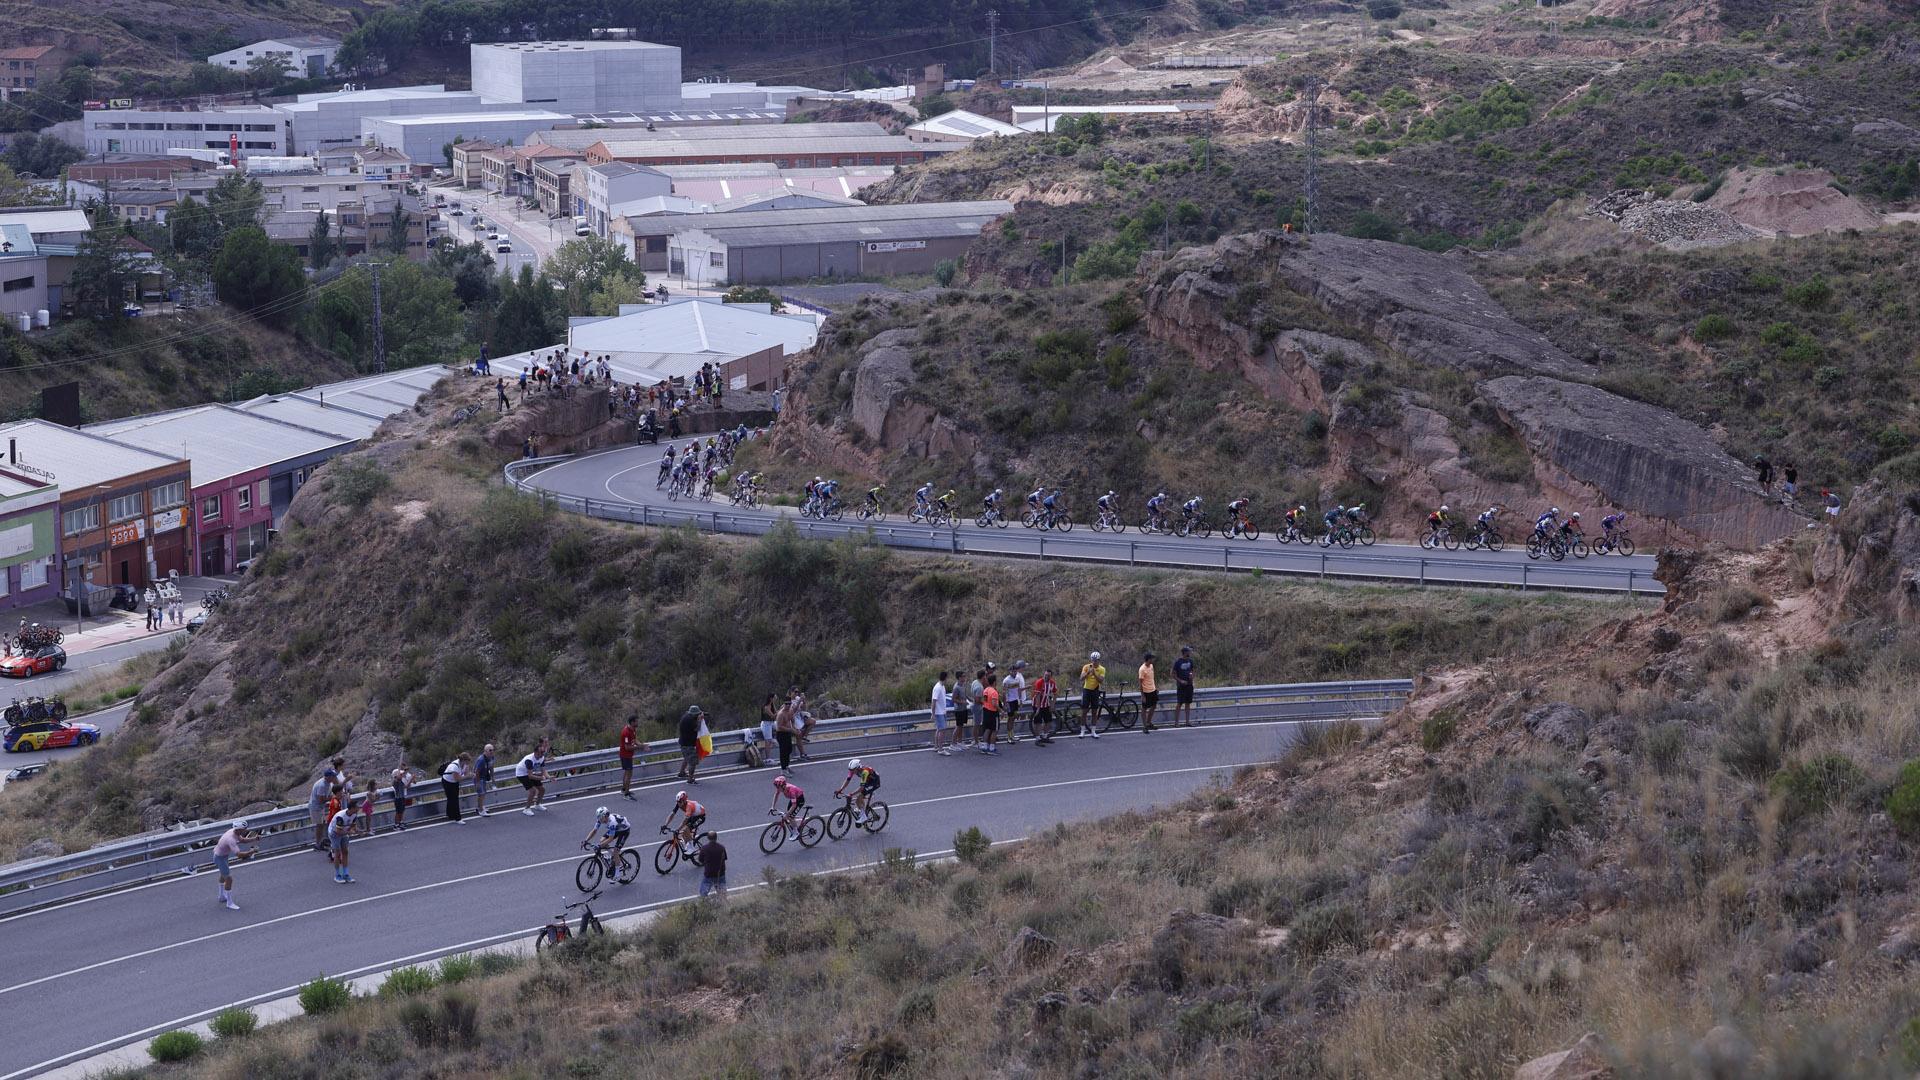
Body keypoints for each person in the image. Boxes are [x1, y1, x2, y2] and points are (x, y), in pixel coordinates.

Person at [212, 820, 257, 911]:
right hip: (220, 858)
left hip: (221, 856)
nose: (246, 830)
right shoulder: (231, 839)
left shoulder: (234, 832)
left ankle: (221, 896)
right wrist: (251, 851)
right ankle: (229, 903)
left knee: (223, 874)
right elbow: (239, 855)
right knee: (229, 879)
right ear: (239, 829)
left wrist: (254, 839)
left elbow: (243, 840)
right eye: (244, 829)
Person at [837, 759, 881, 824]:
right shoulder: (853, 770)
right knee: (860, 798)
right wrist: (840, 789)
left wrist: (851, 794)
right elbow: (848, 780)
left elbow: (861, 788)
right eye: (850, 770)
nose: (851, 772)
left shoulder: (864, 772)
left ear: (857, 768)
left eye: (852, 770)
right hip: (868, 781)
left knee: (858, 799)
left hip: (874, 782)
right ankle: (862, 811)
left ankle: (863, 817)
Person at [328, 797, 357, 884]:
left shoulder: (354, 814)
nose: (359, 808)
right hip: (334, 833)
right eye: (357, 807)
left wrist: (355, 830)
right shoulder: (341, 817)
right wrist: (349, 832)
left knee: (345, 852)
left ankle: (346, 874)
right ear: (352, 808)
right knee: (337, 853)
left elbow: (353, 826)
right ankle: (337, 875)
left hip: (344, 832)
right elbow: (338, 831)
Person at [516, 742, 550, 816]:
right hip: (521, 774)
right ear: (535, 752)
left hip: (530, 773)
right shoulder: (529, 760)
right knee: (533, 791)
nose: (541, 755)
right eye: (540, 753)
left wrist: (550, 777)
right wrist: (540, 777)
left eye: (543, 753)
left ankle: (537, 805)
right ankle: (526, 809)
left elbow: (543, 770)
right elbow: (530, 776)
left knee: (542, 789)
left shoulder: (542, 757)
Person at [1079, 652, 1106, 739]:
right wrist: (1087, 673)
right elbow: (1081, 678)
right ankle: (1082, 731)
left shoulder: (1102, 669)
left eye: (1095, 660)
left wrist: (1094, 673)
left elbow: (1101, 680)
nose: (1093, 662)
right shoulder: (1086, 667)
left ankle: (1093, 731)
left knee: (1094, 712)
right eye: (1092, 660)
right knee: (1084, 711)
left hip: (1095, 691)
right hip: (1086, 690)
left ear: (1098, 660)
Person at [677, 705, 705, 784]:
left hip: (683, 742)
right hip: (688, 744)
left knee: (686, 758)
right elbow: (697, 728)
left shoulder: (686, 717)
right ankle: (690, 779)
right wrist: (700, 720)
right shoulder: (690, 720)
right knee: (693, 761)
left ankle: (681, 773)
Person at [1001, 662, 1027, 743]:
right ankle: (1009, 737)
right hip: (1010, 702)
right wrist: (1005, 704)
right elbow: (1004, 693)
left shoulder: (1017, 678)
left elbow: (1018, 690)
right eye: (1013, 671)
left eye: (1015, 671)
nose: (1014, 673)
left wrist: (1020, 700)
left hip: (1016, 701)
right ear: (1010, 671)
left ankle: (1012, 735)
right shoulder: (1006, 680)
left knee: (1013, 718)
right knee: (1010, 719)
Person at [1031, 667, 1059, 745]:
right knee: (1038, 722)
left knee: (1048, 721)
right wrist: (1038, 708)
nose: (1046, 677)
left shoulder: (1052, 683)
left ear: (1051, 676)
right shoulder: (1039, 682)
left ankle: (1045, 736)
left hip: (1046, 704)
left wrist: (1052, 705)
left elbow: (1055, 693)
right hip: (1037, 704)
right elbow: (1037, 696)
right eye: (1045, 675)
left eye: (1048, 676)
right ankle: (1037, 739)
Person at [441, 753, 471, 824]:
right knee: (454, 800)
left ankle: (450, 815)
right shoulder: (455, 766)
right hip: (448, 782)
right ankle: (458, 818)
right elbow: (458, 778)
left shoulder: (464, 764)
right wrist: (468, 776)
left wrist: (467, 770)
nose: (468, 763)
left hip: (453, 781)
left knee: (452, 799)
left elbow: (465, 773)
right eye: (468, 761)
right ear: (463, 760)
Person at [1172, 645, 1197, 727]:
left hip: (1189, 685)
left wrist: (1192, 676)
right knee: (1179, 703)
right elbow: (1173, 674)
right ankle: (1176, 723)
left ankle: (1187, 722)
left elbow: (1193, 671)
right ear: (1185, 652)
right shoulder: (1178, 662)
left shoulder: (1190, 661)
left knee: (1188, 703)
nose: (1189, 653)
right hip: (1181, 686)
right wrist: (1180, 681)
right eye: (1188, 651)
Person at [699, 833, 728, 900]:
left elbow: (700, 860)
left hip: (709, 874)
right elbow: (724, 858)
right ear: (716, 838)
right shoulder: (721, 848)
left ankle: (704, 904)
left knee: (703, 893)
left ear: (708, 838)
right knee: (722, 894)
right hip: (720, 874)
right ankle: (723, 905)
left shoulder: (704, 848)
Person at [930, 671, 953, 756]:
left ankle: (936, 746)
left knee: (939, 729)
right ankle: (940, 749)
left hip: (942, 711)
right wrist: (933, 714)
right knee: (942, 730)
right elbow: (934, 701)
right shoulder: (938, 688)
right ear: (945, 677)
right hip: (938, 712)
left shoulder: (942, 687)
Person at [774, 694, 798, 770]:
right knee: (783, 751)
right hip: (781, 734)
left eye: (789, 704)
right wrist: (791, 730)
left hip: (788, 733)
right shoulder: (781, 714)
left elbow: (792, 720)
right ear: (784, 704)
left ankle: (787, 766)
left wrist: (794, 727)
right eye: (786, 704)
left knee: (789, 749)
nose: (788, 705)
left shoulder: (790, 710)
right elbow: (779, 726)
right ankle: (783, 768)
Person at [979, 671, 1001, 755]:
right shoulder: (994, 692)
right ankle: (992, 748)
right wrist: (1001, 711)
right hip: (993, 713)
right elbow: (994, 704)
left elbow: (984, 701)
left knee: (987, 729)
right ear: (994, 682)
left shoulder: (986, 690)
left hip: (986, 711)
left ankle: (985, 747)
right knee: (994, 730)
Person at [618, 715, 639, 801]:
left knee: (627, 772)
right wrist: (638, 747)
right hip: (625, 755)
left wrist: (641, 745)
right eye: (636, 721)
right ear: (632, 722)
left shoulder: (633, 730)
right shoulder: (626, 732)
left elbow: (634, 741)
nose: (638, 723)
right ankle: (626, 794)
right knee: (629, 774)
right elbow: (627, 747)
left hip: (628, 755)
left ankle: (624, 789)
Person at [1138, 651, 1160, 733]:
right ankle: (1144, 726)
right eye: (1151, 658)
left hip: (1152, 690)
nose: (1153, 660)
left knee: (1154, 706)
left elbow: (1152, 678)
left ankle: (1149, 722)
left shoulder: (1151, 666)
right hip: (1146, 691)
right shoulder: (1142, 669)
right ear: (1148, 659)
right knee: (1144, 709)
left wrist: (1155, 687)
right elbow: (1140, 683)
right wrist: (1142, 695)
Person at [473, 743, 496, 817]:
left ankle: (480, 807)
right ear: (485, 751)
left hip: (484, 777)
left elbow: (491, 767)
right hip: (479, 778)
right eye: (490, 750)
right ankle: (481, 811)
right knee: (481, 794)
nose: (492, 751)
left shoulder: (492, 757)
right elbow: (476, 772)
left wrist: (492, 778)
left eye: (493, 750)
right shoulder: (481, 760)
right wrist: (478, 783)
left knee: (483, 793)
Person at [389, 766, 415, 831]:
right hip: (398, 799)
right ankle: (395, 825)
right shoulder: (395, 782)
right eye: (400, 774)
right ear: (396, 776)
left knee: (401, 811)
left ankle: (400, 823)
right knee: (398, 812)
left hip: (402, 797)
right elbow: (397, 780)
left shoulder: (401, 781)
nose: (402, 775)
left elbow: (406, 786)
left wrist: (411, 779)